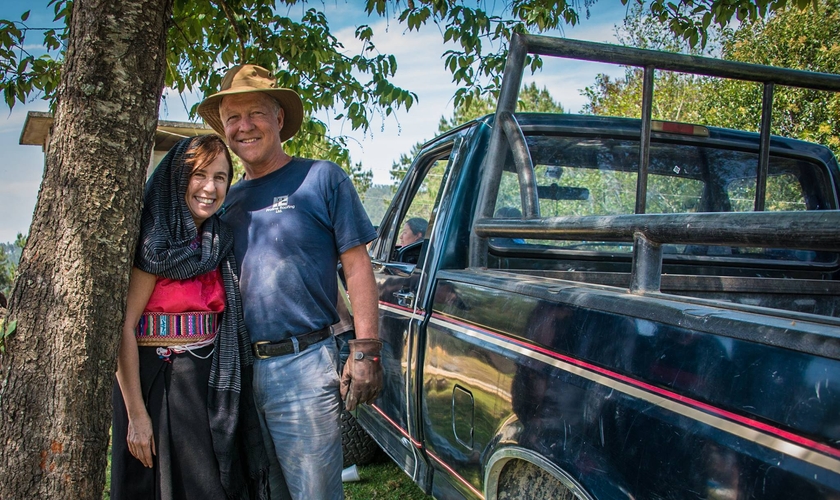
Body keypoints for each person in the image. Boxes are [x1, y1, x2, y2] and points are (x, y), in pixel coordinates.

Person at [197, 64, 382, 500]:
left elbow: (357, 267)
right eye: (232, 119)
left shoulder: (322, 179)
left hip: (305, 365)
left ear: (279, 118)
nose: (244, 127)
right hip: (240, 370)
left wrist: (367, 350)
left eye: (255, 113)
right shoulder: (226, 200)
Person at [111, 135, 268, 500]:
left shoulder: (218, 240)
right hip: (155, 385)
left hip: (206, 383)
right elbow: (124, 327)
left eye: (221, 177)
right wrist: (137, 415)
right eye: (199, 175)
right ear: (177, 178)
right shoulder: (154, 242)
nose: (210, 188)